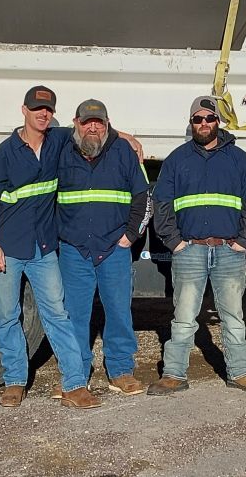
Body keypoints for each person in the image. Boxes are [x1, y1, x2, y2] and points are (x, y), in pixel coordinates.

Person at [0, 85, 100, 409]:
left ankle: (75, 385)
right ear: (24, 111)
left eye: (47, 110)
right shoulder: (4, 153)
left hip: (43, 248)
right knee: (7, 316)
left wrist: (128, 138)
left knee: (58, 315)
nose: (43, 114)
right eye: (37, 110)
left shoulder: (58, 140)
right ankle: (15, 381)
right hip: (6, 247)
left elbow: (91, 130)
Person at [147, 96, 246, 395]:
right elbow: (161, 204)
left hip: (229, 251)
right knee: (184, 318)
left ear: (218, 122)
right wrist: (174, 243)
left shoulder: (238, 159)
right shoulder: (177, 159)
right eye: (197, 119)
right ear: (191, 124)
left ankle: (239, 372)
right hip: (190, 251)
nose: (204, 124)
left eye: (209, 118)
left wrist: (244, 241)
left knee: (233, 318)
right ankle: (174, 374)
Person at [55, 99, 151, 396]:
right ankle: (76, 373)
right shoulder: (60, 150)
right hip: (74, 249)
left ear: (108, 125)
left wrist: (130, 236)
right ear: (76, 124)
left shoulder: (123, 152)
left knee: (119, 311)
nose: (93, 127)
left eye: (99, 122)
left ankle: (120, 370)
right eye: (87, 122)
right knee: (75, 315)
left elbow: (143, 197)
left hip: (113, 248)